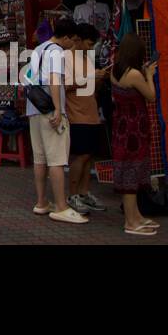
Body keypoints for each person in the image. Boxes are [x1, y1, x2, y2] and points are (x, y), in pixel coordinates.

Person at [27, 17, 87, 224]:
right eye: (74, 40)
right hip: (49, 109)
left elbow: (31, 77)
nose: (74, 44)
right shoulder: (57, 52)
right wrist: (59, 110)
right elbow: (54, 80)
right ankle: (61, 206)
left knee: (40, 158)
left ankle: (42, 201)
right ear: (68, 37)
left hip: (33, 108)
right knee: (57, 158)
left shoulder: (38, 49)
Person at [111, 32, 159, 236]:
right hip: (134, 129)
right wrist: (149, 75)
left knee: (130, 170)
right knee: (132, 173)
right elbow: (151, 96)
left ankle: (136, 216)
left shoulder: (115, 69)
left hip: (122, 125)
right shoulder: (135, 74)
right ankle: (130, 222)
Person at [66, 24, 107, 215]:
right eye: (89, 44)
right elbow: (65, 86)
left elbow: (91, 88)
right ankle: (72, 194)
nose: (91, 48)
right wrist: (91, 76)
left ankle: (84, 192)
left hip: (91, 113)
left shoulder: (87, 59)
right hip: (76, 115)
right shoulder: (67, 58)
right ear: (78, 40)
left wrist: (98, 79)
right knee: (80, 155)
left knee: (89, 156)